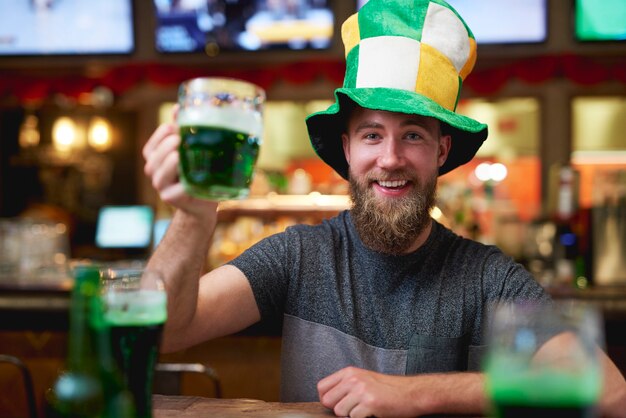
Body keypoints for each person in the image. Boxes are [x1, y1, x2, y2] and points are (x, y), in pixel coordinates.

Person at [143, 0, 626, 416]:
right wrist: (193, 214)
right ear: (348, 149)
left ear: (441, 152)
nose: (390, 158)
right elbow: (163, 333)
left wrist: (420, 394)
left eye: (413, 134)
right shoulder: (298, 257)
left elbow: (608, 390)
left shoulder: (486, 277)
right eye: (372, 134)